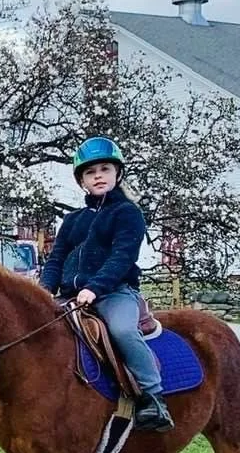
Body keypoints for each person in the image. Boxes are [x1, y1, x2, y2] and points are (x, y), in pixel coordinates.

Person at [40, 137, 174, 432]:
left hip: (114, 293)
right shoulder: (72, 220)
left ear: (118, 174)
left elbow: (122, 257)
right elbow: (56, 258)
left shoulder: (127, 213)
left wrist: (95, 288)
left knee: (122, 330)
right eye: (90, 172)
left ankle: (153, 397)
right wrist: (44, 290)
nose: (98, 175)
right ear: (82, 181)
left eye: (104, 169)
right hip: (69, 296)